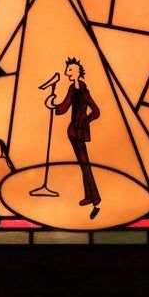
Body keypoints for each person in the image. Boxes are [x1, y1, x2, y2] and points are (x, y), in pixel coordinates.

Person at [45, 57, 101, 218]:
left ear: (77, 71)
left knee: (85, 165)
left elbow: (96, 111)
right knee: (83, 165)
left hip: (80, 133)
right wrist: (53, 105)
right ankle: (90, 196)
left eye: (69, 70)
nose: (66, 73)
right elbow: (64, 107)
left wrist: (85, 122)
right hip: (72, 133)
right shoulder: (72, 89)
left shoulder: (85, 92)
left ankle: (95, 198)